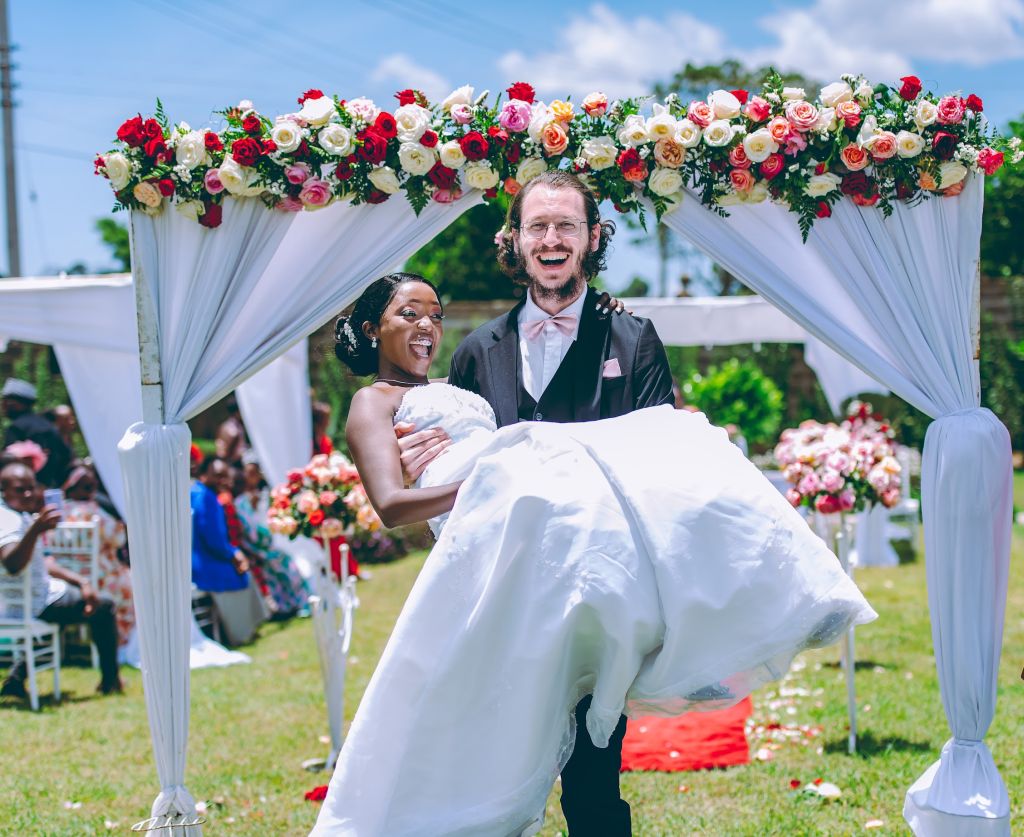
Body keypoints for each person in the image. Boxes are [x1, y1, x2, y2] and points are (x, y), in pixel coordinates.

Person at [310, 270, 875, 835]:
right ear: (370, 327)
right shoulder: (371, 400)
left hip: (531, 519)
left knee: (675, 453)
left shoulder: (455, 393)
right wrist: (483, 476)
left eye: (434, 313)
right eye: (409, 314)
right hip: (498, 542)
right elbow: (390, 503)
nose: (427, 325)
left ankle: (751, 592)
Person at [0, 462, 122, 699]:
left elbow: (45, 563)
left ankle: (16, 677)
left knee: (75, 604)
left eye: (31, 488)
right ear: (3, 491)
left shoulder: (18, 515)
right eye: (19, 489)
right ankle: (110, 680)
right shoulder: (8, 520)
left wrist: (82, 582)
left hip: (36, 597)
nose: (28, 494)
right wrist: (36, 530)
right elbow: (12, 564)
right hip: (30, 605)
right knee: (103, 605)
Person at [190, 456, 267, 646]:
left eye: (225, 476)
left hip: (203, 557)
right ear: (204, 474)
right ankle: (241, 632)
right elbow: (213, 538)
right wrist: (234, 554)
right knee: (242, 575)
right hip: (207, 561)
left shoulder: (199, 493)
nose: (223, 481)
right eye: (217, 476)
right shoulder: (205, 498)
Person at [62, 463, 136, 649]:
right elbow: (118, 538)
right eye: (88, 487)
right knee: (135, 585)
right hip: (102, 575)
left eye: (94, 487)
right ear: (73, 487)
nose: (92, 491)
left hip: (67, 574)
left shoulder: (58, 512)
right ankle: (121, 641)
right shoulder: (94, 513)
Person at [235, 456, 309, 618]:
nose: (251, 477)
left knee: (287, 564)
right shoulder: (240, 502)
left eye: (255, 473)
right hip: (254, 549)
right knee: (278, 566)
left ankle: (299, 602)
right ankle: (285, 605)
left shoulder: (266, 496)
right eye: (248, 473)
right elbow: (248, 529)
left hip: (271, 544)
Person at [1, 378, 72, 488]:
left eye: (6, 401)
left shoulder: (17, 427)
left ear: (19, 404)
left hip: (24, 491)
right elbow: (66, 457)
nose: (3, 406)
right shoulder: (48, 425)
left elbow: (8, 463)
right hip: (52, 489)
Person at [214, 394, 249, 468]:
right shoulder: (234, 429)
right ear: (238, 411)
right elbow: (224, 452)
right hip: (233, 465)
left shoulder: (224, 425)